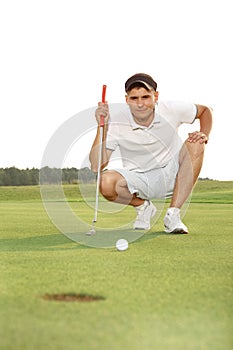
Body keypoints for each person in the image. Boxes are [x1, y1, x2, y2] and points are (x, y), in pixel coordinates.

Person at [89, 73, 213, 234]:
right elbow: (95, 165)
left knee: (196, 142)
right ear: (127, 100)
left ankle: (173, 216)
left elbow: (205, 111)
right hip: (140, 180)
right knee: (105, 182)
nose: (140, 104)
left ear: (156, 96)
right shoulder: (119, 122)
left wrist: (205, 133)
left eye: (146, 97)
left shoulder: (171, 109)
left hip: (173, 174)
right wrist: (102, 127)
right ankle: (143, 207)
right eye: (134, 98)